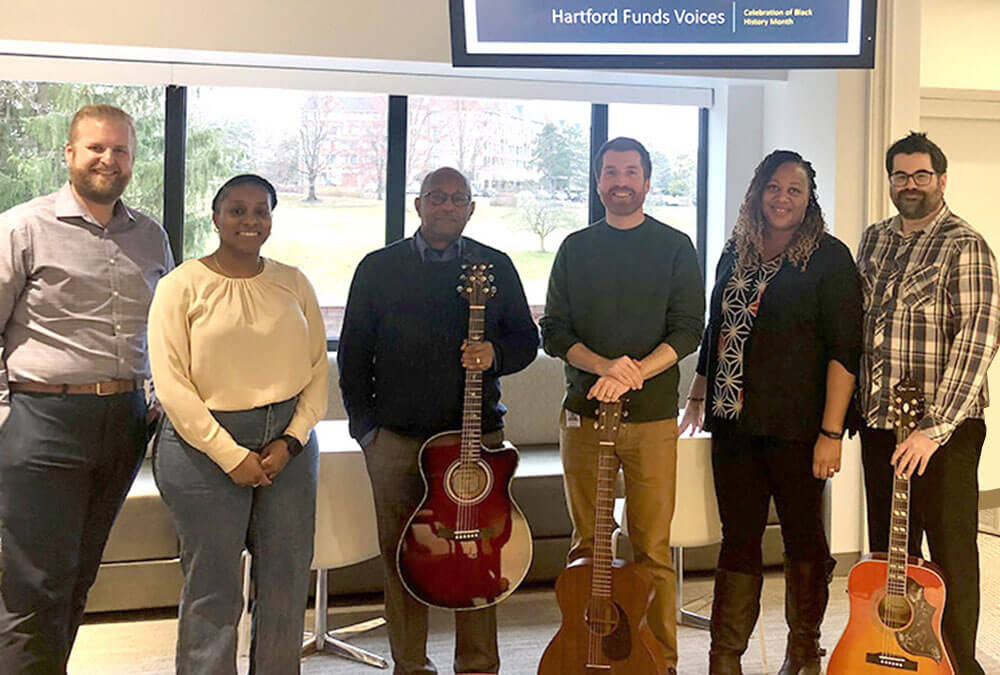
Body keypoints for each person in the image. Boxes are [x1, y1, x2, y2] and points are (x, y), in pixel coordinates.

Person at [338, 167, 538, 675]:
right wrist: (366, 431)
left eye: (457, 199)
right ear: (419, 204)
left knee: (480, 556)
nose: (447, 206)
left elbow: (525, 341)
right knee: (402, 559)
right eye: (437, 197)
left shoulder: (494, 266)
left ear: (470, 208)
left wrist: (494, 354)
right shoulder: (379, 268)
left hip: (475, 440)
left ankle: (478, 666)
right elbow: (354, 353)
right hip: (396, 442)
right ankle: (411, 665)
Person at [0, 104, 174, 673]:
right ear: (70, 153)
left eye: (120, 149)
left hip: (123, 422)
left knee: (78, 577)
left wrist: (154, 399)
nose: (108, 159)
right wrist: (6, 416)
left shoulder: (150, 236)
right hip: (41, 420)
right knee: (34, 586)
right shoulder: (22, 227)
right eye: (96, 147)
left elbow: (167, 328)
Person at [680, 150, 861, 675]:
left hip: (798, 429)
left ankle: (803, 652)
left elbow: (844, 350)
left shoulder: (828, 258)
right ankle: (725, 658)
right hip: (732, 424)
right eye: (774, 187)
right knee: (738, 538)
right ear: (757, 192)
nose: (782, 198)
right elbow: (717, 329)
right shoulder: (735, 249)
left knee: (803, 537)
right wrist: (697, 394)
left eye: (794, 190)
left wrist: (831, 432)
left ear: (809, 199)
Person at [147, 174, 328, 674]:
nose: (250, 221)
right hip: (201, 448)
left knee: (286, 580)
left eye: (260, 211)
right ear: (216, 218)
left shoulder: (294, 282)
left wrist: (292, 440)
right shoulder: (180, 285)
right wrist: (230, 455)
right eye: (237, 210)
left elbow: (317, 370)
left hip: (288, 447)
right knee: (213, 585)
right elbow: (172, 385)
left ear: (271, 219)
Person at [540, 136, 705, 675]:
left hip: (652, 419)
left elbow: (689, 329)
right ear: (597, 182)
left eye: (631, 172)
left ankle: (660, 661)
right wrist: (604, 367)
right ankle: (583, 652)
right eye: (610, 172)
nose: (621, 182)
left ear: (648, 182)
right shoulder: (575, 248)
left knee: (652, 547)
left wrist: (634, 372)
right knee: (586, 544)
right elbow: (554, 331)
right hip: (584, 417)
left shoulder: (674, 246)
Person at [854, 132, 1000, 675]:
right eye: (900, 175)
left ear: (941, 179)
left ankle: (957, 664)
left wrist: (933, 430)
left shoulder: (966, 245)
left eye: (920, 175)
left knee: (951, 555)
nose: (910, 185)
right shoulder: (874, 240)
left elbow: (979, 339)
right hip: (880, 426)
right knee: (892, 556)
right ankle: (897, 657)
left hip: (945, 434)